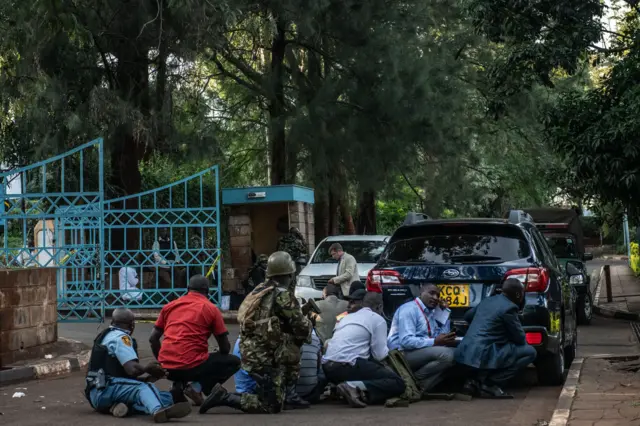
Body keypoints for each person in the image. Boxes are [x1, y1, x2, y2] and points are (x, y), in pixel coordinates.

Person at [199, 251, 312, 414]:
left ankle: (279, 391)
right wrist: (309, 322)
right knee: (272, 405)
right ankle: (224, 397)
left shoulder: (259, 290)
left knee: (289, 344)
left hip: (249, 350)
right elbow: (301, 328)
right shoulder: (283, 296)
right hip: (264, 357)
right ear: (288, 275)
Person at [84, 308, 191, 423]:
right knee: (145, 388)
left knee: (164, 396)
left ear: (112, 322)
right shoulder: (121, 338)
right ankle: (158, 411)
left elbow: (119, 375)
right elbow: (132, 369)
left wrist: (147, 378)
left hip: (96, 394)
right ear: (132, 325)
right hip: (107, 389)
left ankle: (119, 407)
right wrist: (147, 369)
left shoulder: (105, 335)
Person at [149, 275, 240, 406]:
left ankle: (178, 386)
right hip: (192, 366)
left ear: (188, 289)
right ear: (207, 291)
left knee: (189, 357)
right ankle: (198, 388)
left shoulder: (170, 306)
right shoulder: (211, 308)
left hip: (166, 367)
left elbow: (153, 339)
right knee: (233, 361)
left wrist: (162, 361)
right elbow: (225, 348)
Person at [455, 278, 537, 398]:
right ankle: (491, 384)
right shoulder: (510, 308)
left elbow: (467, 316)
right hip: (484, 353)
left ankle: (474, 381)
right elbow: (520, 339)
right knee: (529, 352)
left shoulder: (487, 301)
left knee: (495, 348)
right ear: (519, 294)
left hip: (465, 351)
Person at [322, 292, 405, 408]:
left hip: (328, 368)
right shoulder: (377, 319)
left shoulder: (346, 317)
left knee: (366, 367)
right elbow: (380, 355)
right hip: (348, 365)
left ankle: (345, 387)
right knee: (398, 383)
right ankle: (353, 387)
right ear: (379, 306)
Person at [387, 284, 456, 395]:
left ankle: (420, 388)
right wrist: (434, 342)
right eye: (431, 293)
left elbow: (441, 336)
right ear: (421, 292)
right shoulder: (409, 309)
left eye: (438, 295)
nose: (435, 298)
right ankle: (414, 381)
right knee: (447, 355)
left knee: (457, 354)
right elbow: (406, 341)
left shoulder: (430, 313)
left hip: (417, 351)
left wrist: (445, 312)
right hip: (400, 354)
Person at [232, 329, 327, 405]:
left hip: (245, 388)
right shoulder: (274, 337)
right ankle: (289, 395)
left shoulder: (245, 334)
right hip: (262, 391)